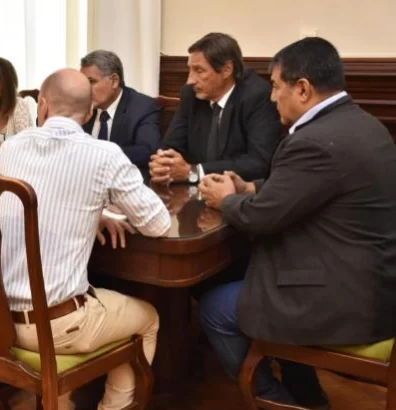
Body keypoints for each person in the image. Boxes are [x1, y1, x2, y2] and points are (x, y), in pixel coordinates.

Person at [198, 37, 396, 408]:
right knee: (250, 280)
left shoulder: (314, 140)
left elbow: (261, 218)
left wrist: (226, 200)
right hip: (374, 284)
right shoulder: (363, 124)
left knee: (214, 308)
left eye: (276, 86)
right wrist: (250, 187)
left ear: (302, 89)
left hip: (343, 299)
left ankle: (278, 402)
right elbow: (306, 189)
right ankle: (308, 397)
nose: (272, 97)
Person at [0, 68, 171, 410]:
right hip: (60, 326)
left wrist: (93, 210)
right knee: (148, 318)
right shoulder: (103, 154)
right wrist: (101, 205)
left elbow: (31, 200)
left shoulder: (11, 148)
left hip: (0, 318)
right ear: (90, 112)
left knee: (108, 309)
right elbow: (159, 224)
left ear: (42, 105)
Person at [150, 32, 281, 185]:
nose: (190, 80)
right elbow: (171, 145)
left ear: (227, 70)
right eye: (190, 70)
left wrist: (194, 172)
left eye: (199, 71)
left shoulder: (257, 96)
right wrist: (162, 164)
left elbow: (258, 163)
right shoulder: (191, 94)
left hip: (237, 193)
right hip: (193, 189)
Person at [80, 50, 161, 174]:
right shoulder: (79, 105)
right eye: (83, 83)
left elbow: (147, 151)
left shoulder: (142, 107)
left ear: (114, 81)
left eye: (91, 82)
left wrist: (98, 155)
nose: (85, 89)